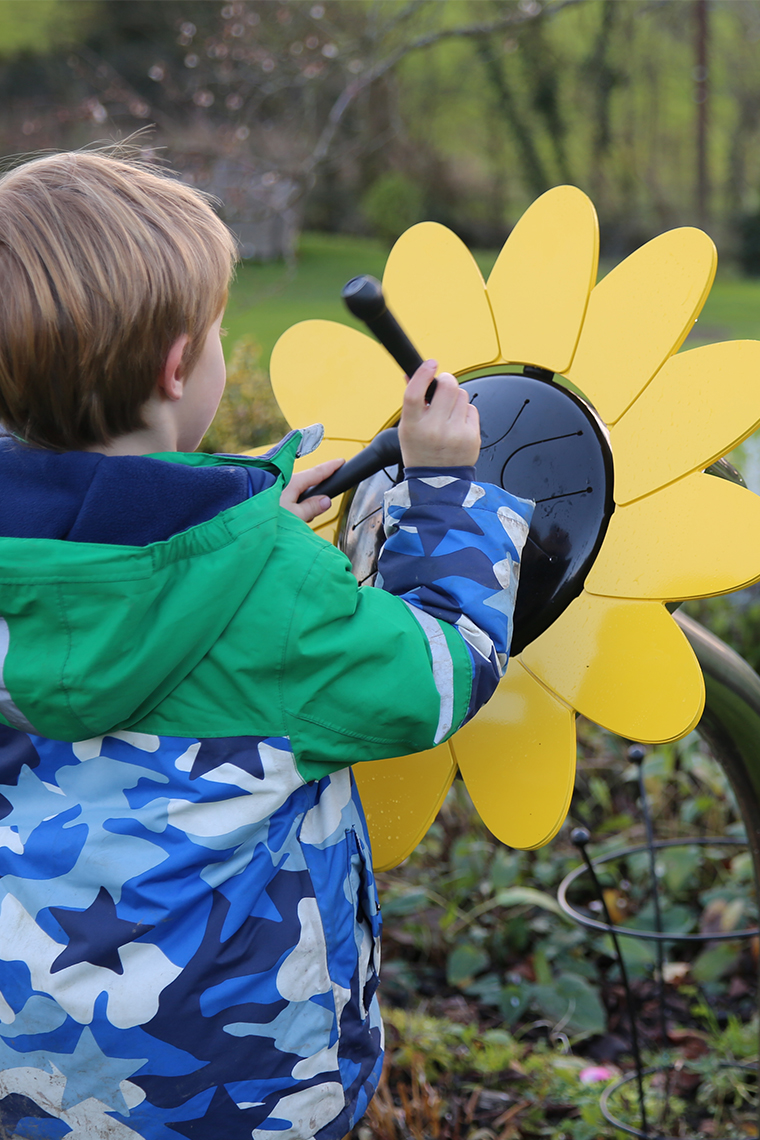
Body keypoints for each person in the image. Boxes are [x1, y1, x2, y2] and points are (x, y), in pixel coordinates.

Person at [0, 150, 533, 1140]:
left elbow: (105, 551)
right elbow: (439, 669)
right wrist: (447, 492)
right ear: (176, 366)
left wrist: (236, 522)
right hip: (238, 1089)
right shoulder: (280, 601)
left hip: (28, 1075)